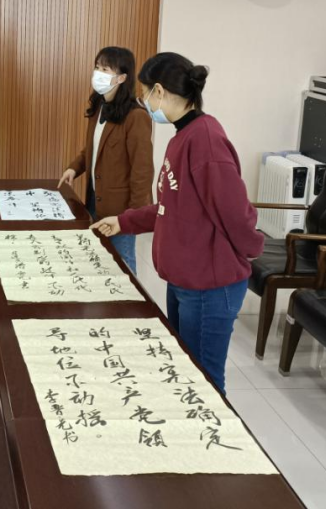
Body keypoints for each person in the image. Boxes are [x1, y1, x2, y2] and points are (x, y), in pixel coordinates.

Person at [92, 52, 263, 394]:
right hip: (185, 280)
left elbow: (235, 212)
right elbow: (171, 207)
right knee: (185, 372)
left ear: (159, 91)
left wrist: (252, 249)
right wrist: (124, 221)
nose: (144, 102)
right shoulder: (182, 137)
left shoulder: (205, 141)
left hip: (209, 285)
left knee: (204, 381)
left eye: (145, 93)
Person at [58, 46, 153, 272]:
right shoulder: (100, 106)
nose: (98, 74)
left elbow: (142, 170)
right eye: (97, 67)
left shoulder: (136, 116)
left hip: (121, 210)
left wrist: (134, 217)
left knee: (122, 264)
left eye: (105, 70)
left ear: (121, 78)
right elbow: (93, 149)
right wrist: (74, 168)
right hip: (95, 199)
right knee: (98, 258)